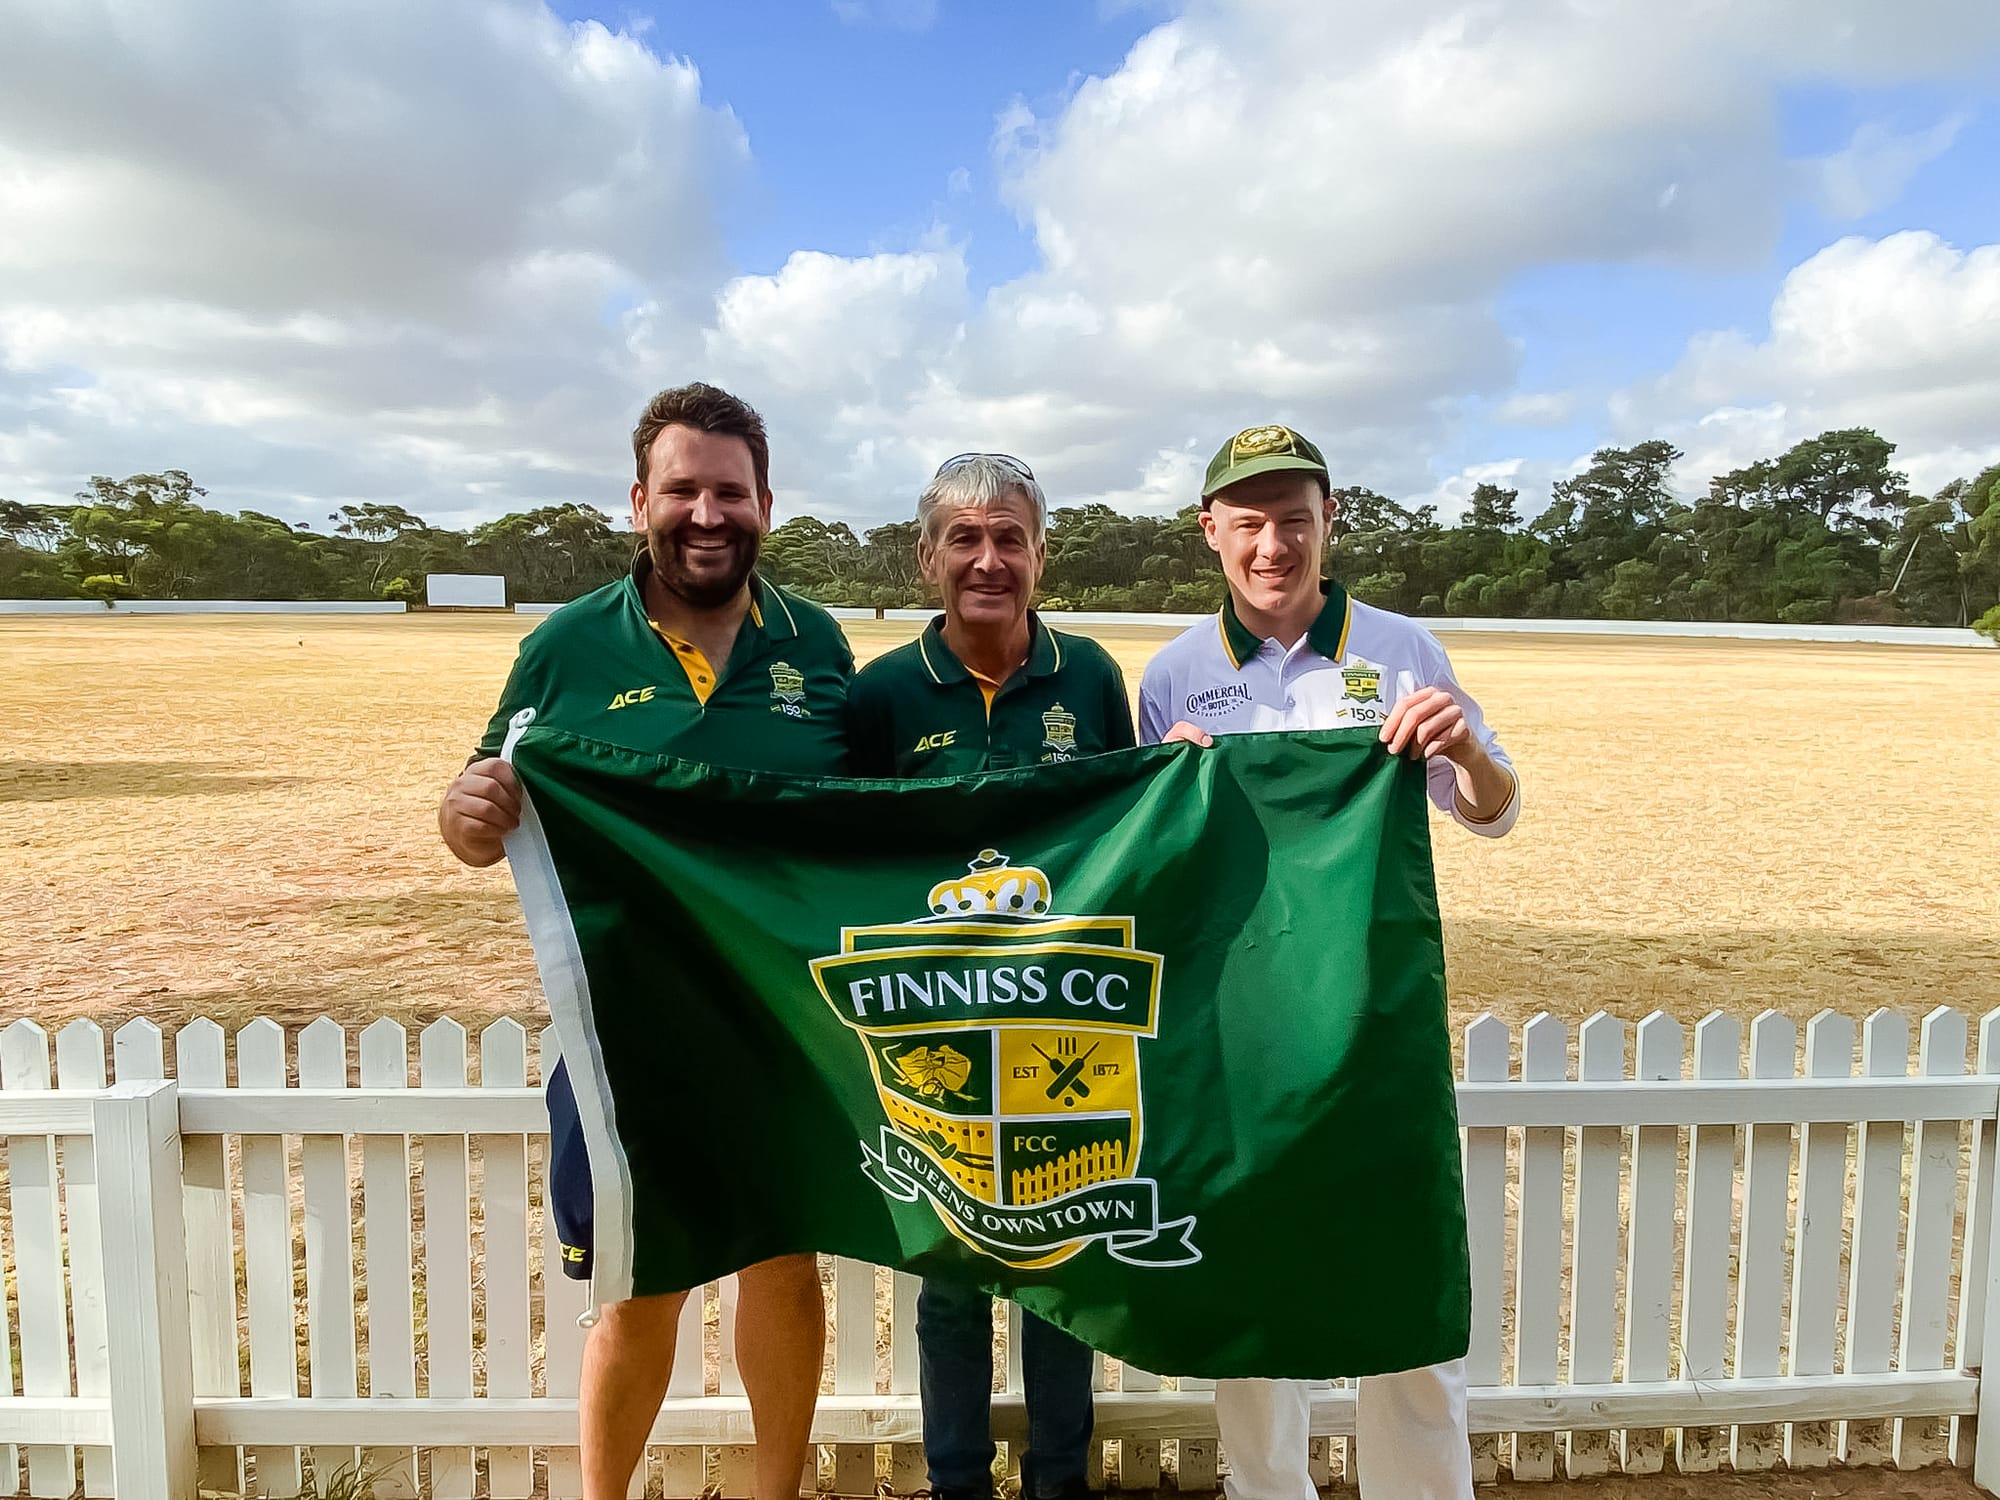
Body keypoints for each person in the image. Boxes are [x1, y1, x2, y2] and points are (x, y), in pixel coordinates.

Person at [438, 382, 852, 1500]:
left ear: (765, 504)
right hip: (625, 1030)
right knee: (636, 1286)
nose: (707, 515)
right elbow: (484, 804)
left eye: (731, 492)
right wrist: (463, 814)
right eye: (682, 490)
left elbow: (867, 821)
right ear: (638, 502)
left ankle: (775, 1494)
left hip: (784, 1024)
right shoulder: (568, 646)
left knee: (783, 1267)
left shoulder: (815, 645)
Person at [1139, 423, 1519, 1500]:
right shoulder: (1173, 674)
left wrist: (1463, 746)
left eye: (1294, 519)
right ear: (1209, 530)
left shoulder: (1401, 651)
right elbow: (1154, 863)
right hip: (1239, 1023)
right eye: (1249, 522)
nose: (1274, 545)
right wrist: (1160, 787)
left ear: (1329, 520)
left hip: (1374, 1015)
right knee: (1251, 1283)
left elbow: (1493, 811)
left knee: (1402, 1284)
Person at [846, 452, 1134, 1500]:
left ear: (1040, 556)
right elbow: (842, 850)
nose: (987, 560)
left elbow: (1127, 826)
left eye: (1009, 538)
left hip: (1063, 1021)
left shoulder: (1089, 676)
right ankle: (955, 1482)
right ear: (926, 558)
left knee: (1063, 1264)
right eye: (963, 539)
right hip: (937, 1025)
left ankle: (1061, 1481)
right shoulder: (881, 691)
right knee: (953, 1277)